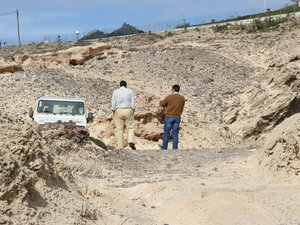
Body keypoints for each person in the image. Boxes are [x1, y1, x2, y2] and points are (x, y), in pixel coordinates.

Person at [111, 80, 136, 150]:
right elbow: (133, 102)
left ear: (120, 85)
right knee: (131, 127)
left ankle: (121, 147)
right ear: (126, 85)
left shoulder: (115, 92)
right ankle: (131, 140)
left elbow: (113, 103)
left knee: (119, 129)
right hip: (128, 110)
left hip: (118, 110)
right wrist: (133, 110)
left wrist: (113, 110)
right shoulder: (130, 91)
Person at [159, 85, 185, 150]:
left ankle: (164, 147)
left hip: (169, 116)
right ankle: (175, 148)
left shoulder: (169, 97)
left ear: (173, 89)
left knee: (166, 133)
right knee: (175, 133)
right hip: (177, 117)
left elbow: (161, 104)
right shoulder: (182, 98)